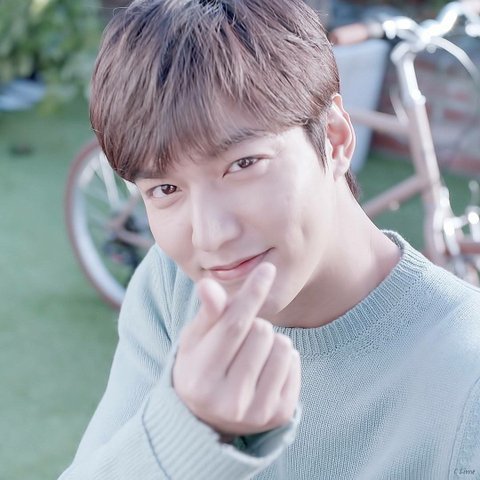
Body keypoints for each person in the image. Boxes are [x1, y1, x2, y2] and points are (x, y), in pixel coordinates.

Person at [59, 0, 480, 478]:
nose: (211, 235)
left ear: (336, 138)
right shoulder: (173, 287)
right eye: (166, 189)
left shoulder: (466, 380)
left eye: (243, 164)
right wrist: (189, 432)